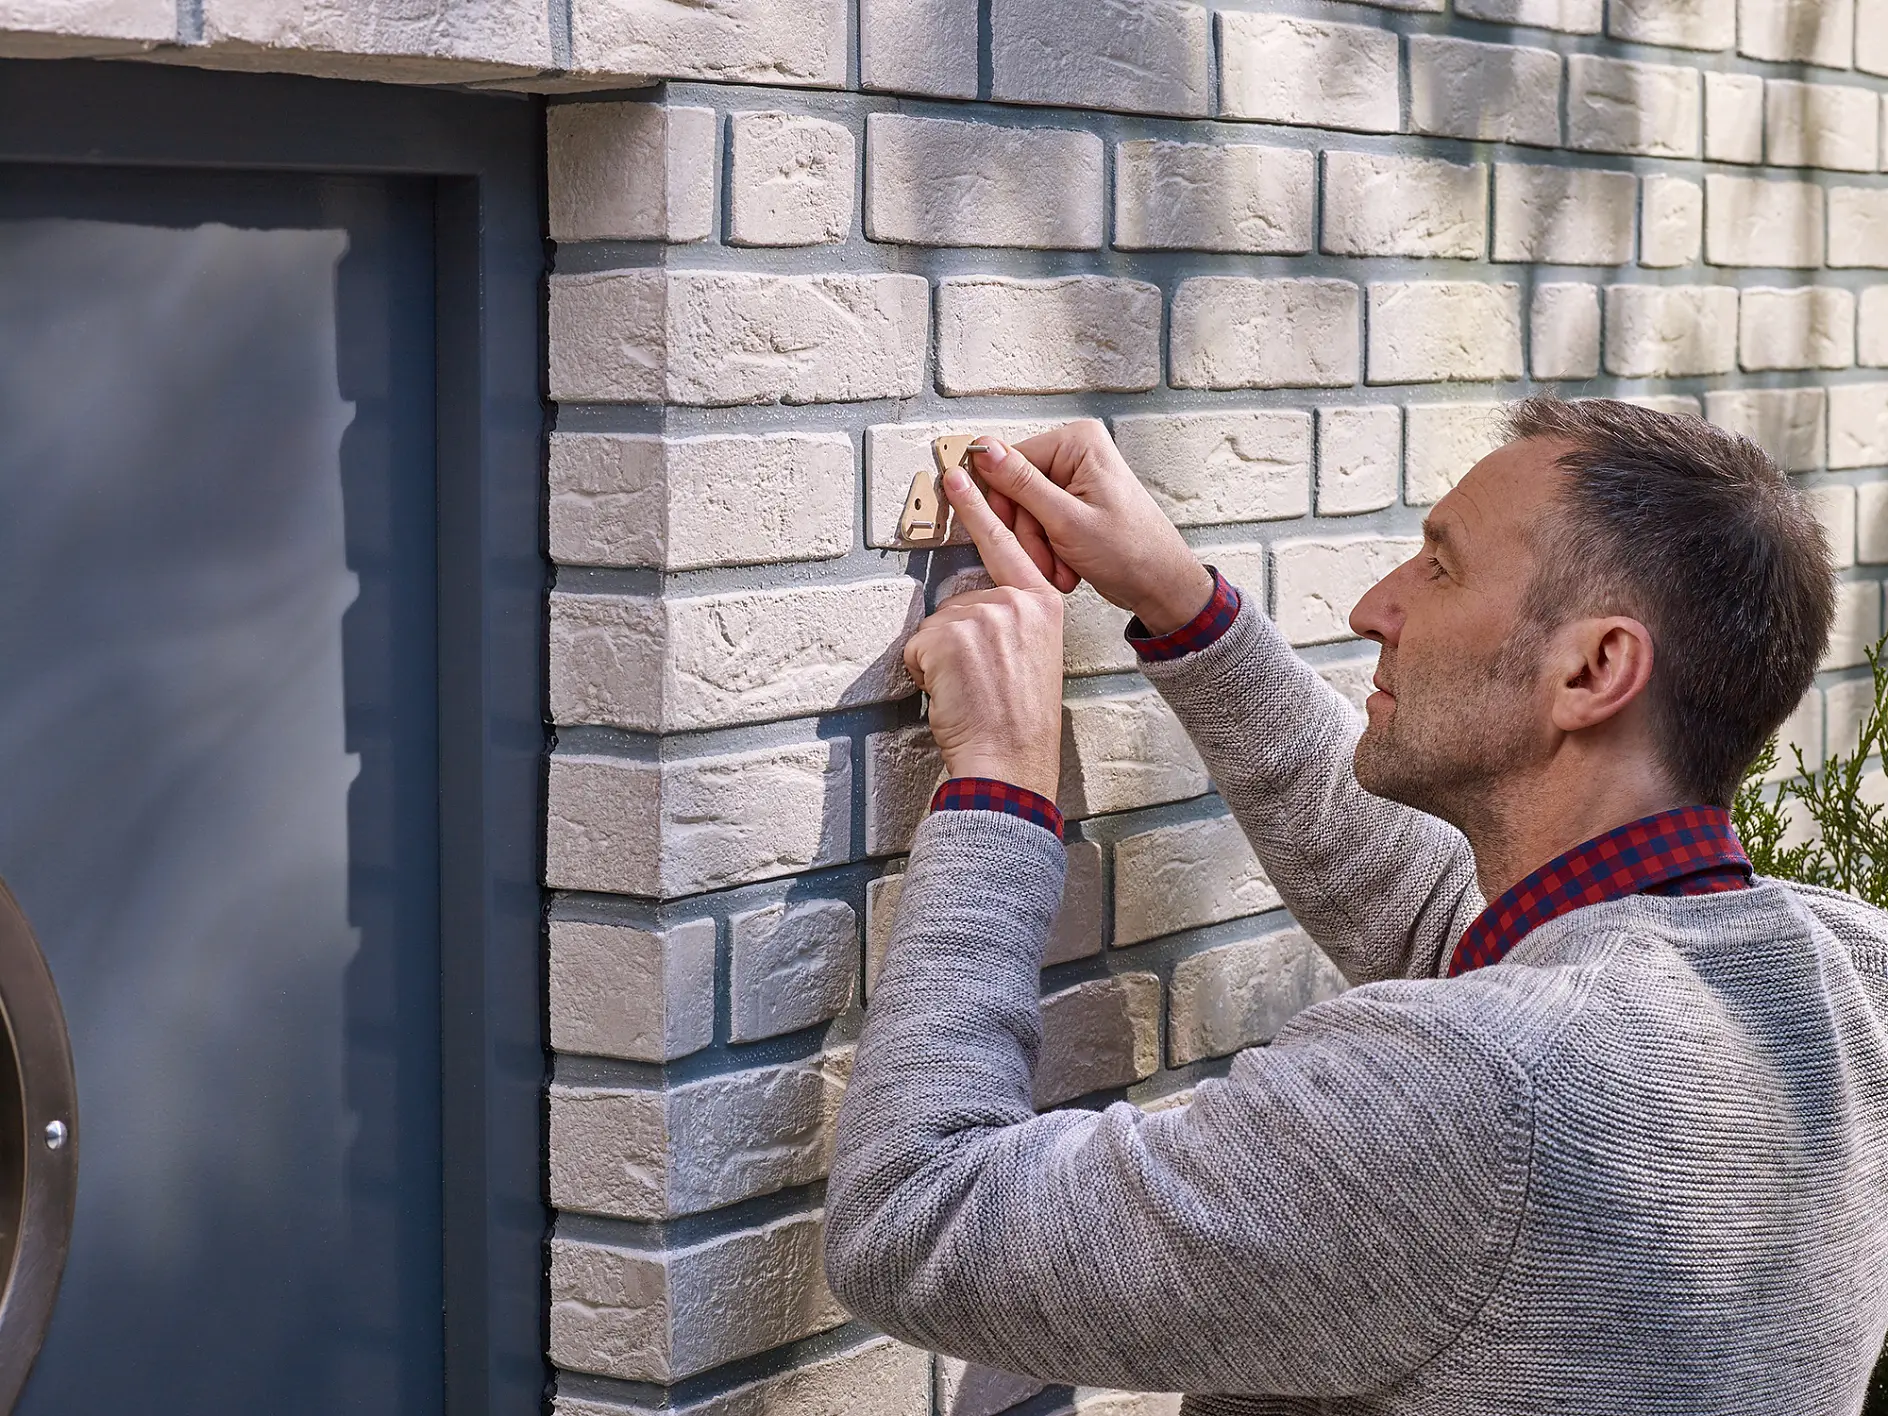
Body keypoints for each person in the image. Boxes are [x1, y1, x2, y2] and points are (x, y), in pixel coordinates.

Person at [822, 398, 1888, 1415]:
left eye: (1440, 566)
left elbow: (915, 1218)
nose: (1374, 606)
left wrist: (1001, 783)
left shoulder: (1487, 1100)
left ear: (1594, 669)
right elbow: (1449, 928)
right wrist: (1181, 603)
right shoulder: (1849, 979)